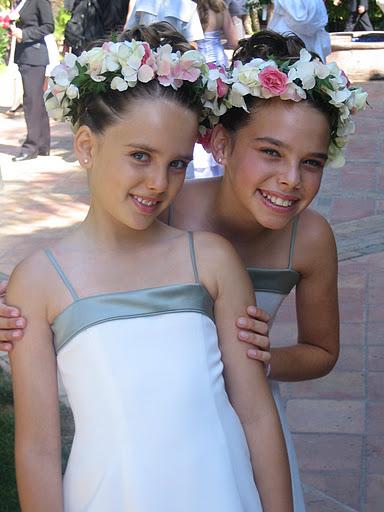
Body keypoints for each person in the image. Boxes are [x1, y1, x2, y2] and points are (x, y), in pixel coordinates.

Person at [0, 28, 368, 511]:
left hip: (225, 471)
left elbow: (262, 408)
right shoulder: (54, 273)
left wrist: (260, 360)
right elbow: (38, 447)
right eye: (140, 157)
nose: (157, 183)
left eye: (176, 164)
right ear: (219, 144)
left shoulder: (216, 257)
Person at [162, 30, 367, 509]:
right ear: (220, 144)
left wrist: (262, 359)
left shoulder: (310, 240)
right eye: (271, 152)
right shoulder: (167, 213)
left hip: (254, 424)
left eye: (311, 162)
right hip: (162, 422)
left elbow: (321, 349)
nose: (291, 180)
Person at [192, 0, 238, 178]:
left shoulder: (188, 8)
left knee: (200, 119)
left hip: (197, 67)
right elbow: (234, 41)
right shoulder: (220, 7)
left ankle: (202, 172)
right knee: (219, 117)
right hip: (218, 66)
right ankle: (219, 163)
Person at [10, 0, 54, 162]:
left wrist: (25, 34)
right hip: (25, 55)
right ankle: (42, 144)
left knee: (31, 101)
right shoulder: (20, 2)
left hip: (35, 55)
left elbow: (49, 26)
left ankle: (31, 146)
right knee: (36, 101)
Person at [125, 0, 204, 44]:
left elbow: (192, 43)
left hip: (173, 62)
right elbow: (129, 32)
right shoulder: (141, 1)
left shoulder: (188, 6)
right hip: (143, 58)